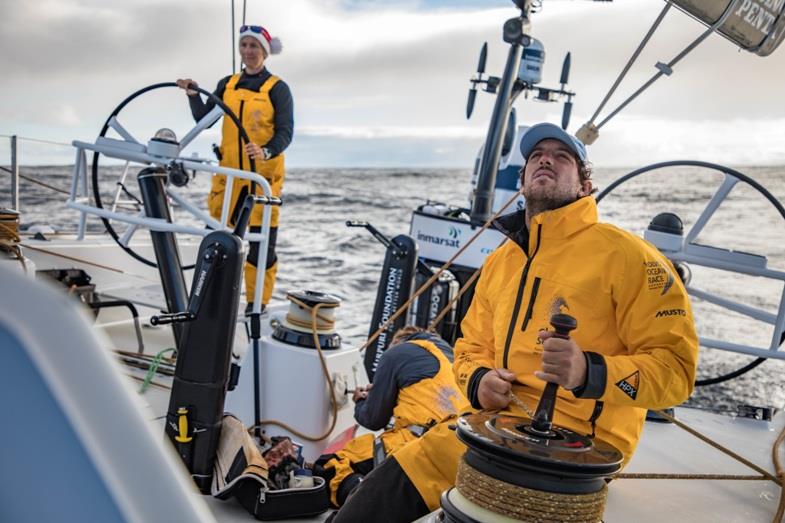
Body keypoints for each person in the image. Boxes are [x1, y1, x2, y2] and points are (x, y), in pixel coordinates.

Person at [332, 122, 699, 522]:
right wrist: (479, 382)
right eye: (536, 156)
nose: (546, 159)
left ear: (585, 186)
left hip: (580, 448)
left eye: (563, 157)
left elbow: (677, 372)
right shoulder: (500, 263)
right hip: (491, 429)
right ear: (522, 180)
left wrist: (588, 371)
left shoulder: (630, 258)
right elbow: (470, 347)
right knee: (365, 506)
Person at [177, 24, 293, 312]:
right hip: (228, 177)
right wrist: (193, 96)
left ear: (264, 52)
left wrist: (266, 149)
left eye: (254, 46)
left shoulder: (277, 88)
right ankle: (207, 299)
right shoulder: (227, 84)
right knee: (216, 237)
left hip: (262, 178)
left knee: (261, 245)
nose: (248, 51)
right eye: (244, 46)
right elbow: (204, 118)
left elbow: (285, 132)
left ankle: (257, 305)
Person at [313, 326, 470, 509]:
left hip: (421, 445)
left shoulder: (396, 352)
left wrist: (361, 402)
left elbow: (373, 420)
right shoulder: (451, 358)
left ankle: (368, 501)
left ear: (396, 342)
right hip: (459, 452)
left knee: (329, 467)